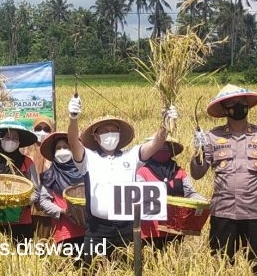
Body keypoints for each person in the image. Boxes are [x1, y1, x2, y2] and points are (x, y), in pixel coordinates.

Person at [67, 95, 177, 266]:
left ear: (119, 135)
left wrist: (166, 123)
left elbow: (156, 143)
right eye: (104, 131)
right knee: (93, 274)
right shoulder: (89, 158)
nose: (109, 134)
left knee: (127, 272)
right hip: (97, 229)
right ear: (95, 137)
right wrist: (73, 118)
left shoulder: (131, 156)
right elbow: (73, 143)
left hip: (127, 227)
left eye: (113, 130)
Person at [190, 84, 257, 276]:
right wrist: (197, 151)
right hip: (223, 212)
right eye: (233, 102)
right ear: (225, 108)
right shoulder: (212, 137)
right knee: (221, 268)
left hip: (255, 212)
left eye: (242, 102)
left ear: (248, 105)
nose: (238, 105)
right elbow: (197, 173)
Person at [0, 117, 38, 245]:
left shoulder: (27, 162)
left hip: (20, 219)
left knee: (21, 258)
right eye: (7, 137)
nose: (11, 141)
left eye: (15, 138)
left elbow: (36, 190)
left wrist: (21, 200)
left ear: (20, 142)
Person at [137, 136, 206, 250]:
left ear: (171, 151)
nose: (162, 150)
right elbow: (142, 198)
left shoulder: (180, 172)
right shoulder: (142, 172)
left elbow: (189, 193)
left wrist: (201, 200)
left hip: (175, 230)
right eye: (159, 146)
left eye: (166, 147)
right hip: (150, 231)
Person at [35, 131, 88, 266]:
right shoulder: (49, 175)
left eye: (66, 147)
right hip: (65, 231)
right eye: (58, 148)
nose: (62, 151)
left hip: (89, 230)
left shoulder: (87, 172)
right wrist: (62, 211)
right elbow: (43, 201)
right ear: (53, 153)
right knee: (69, 271)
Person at [23, 115, 56, 240]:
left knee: (46, 242)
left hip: (48, 206)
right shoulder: (25, 150)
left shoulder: (54, 151)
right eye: (38, 128)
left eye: (46, 129)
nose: (42, 132)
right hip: (27, 206)